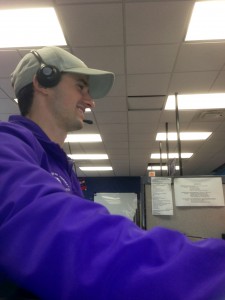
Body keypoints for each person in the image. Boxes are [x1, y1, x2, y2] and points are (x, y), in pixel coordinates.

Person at [0, 46, 225, 300]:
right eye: (80, 86)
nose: (90, 100)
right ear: (43, 81)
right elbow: (52, 230)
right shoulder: (7, 145)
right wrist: (205, 271)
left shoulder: (62, 167)